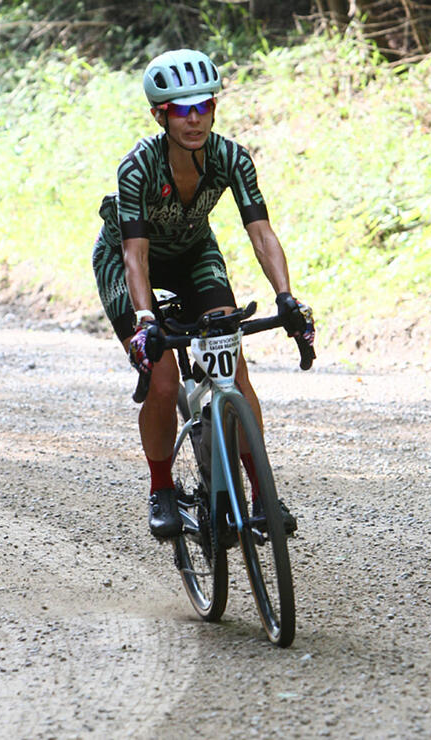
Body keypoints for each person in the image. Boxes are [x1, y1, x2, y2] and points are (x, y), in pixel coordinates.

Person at [92, 48, 315, 540]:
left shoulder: (231, 157)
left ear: (214, 108)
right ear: (160, 115)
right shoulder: (137, 168)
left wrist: (287, 298)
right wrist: (147, 321)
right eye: (180, 110)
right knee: (166, 381)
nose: (194, 120)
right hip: (129, 261)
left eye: (203, 107)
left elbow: (261, 232)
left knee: (232, 366)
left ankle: (262, 494)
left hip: (194, 255)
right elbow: (135, 254)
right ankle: (161, 489)